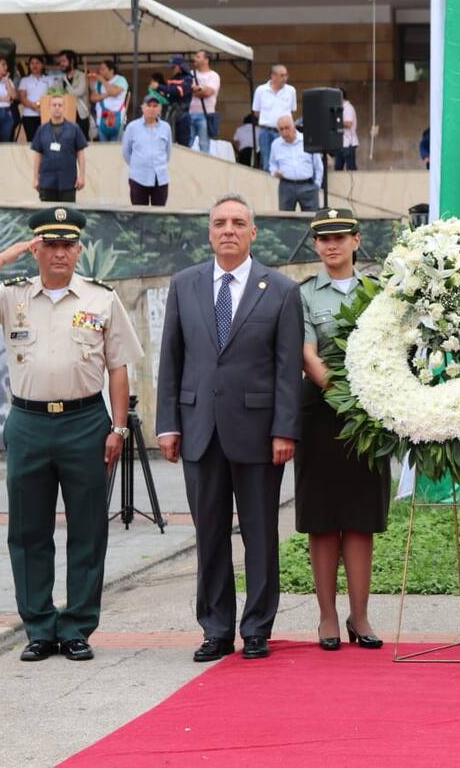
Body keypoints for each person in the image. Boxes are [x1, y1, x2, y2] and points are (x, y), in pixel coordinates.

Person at [0, 208, 142, 662]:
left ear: (78, 250)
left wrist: (118, 427)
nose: (59, 253)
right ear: (36, 250)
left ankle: (76, 627)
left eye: (67, 245)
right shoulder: (13, 296)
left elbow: (118, 368)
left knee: (88, 528)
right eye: (50, 245)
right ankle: (38, 626)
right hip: (29, 423)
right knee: (29, 529)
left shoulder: (100, 298)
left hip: (85, 422)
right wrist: (1, 259)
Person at [155, 194, 303, 662]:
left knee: (260, 534)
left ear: (253, 232)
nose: (228, 230)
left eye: (239, 223)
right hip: (199, 429)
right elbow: (171, 360)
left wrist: (285, 429)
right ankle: (216, 629)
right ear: (209, 231)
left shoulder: (280, 290)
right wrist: (167, 425)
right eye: (219, 222)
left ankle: (256, 627)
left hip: (259, 433)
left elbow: (286, 369)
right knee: (209, 534)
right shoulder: (185, 285)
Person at [296, 209, 390, 651]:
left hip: (371, 415)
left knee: (360, 519)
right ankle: (327, 617)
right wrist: (343, 393)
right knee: (322, 518)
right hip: (322, 413)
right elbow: (308, 354)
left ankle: (361, 615)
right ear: (315, 245)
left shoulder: (382, 292)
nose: (331, 245)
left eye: (339, 237)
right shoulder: (303, 295)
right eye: (323, 238)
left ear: (356, 240)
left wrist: (369, 399)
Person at [29, 94, 88, 203]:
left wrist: (82, 176)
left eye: (60, 105)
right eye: (54, 105)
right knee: (48, 217)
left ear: (64, 108)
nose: (57, 107)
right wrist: (35, 178)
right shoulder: (42, 130)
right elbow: (38, 155)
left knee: (67, 216)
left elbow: (80, 153)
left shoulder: (74, 128)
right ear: (49, 108)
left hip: (68, 182)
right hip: (47, 182)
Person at [122, 94, 173, 207]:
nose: (151, 109)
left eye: (155, 106)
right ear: (142, 108)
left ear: (160, 109)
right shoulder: (132, 127)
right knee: (139, 214)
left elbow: (168, 152)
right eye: (148, 105)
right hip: (138, 177)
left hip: (160, 178)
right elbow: (126, 152)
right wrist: (138, 165)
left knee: (159, 215)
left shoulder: (166, 127)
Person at [268, 114, 323, 212]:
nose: (284, 132)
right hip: (286, 186)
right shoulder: (276, 145)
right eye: (281, 129)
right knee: (285, 220)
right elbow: (272, 164)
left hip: (308, 186)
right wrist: (274, 172)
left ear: (293, 126)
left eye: (287, 128)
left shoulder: (307, 140)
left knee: (311, 219)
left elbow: (318, 166)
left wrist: (316, 185)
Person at [251, 64, 296, 170]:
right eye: (282, 75)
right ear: (273, 76)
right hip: (266, 131)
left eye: (286, 75)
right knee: (267, 163)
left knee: (284, 162)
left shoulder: (291, 90)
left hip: (284, 132)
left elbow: (292, 111)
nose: (285, 78)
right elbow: (256, 112)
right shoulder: (261, 90)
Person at [88, 60, 129, 142]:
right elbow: (93, 98)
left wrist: (103, 80)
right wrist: (107, 94)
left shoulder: (120, 80)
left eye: (103, 69)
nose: (100, 71)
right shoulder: (98, 83)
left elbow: (114, 92)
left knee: (116, 149)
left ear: (111, 70)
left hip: (118, 120)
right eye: (100, 69)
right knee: (104, 150)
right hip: (101, 120)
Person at [189, 49, 221, 153]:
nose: (195, 59)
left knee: (204, 144)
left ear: (206, 60)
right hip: (190, 113)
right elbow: (187, 90)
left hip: (205, 114)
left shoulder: (213, 76)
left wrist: (195, 90)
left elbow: (208, 93)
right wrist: (201, 90)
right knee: (187, 143)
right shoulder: (191, 74)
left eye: (198, 57)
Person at [56, 50, 92, 139]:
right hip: (66, 115)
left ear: (71, 61)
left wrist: (65, 91)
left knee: (82, 141)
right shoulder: (60, 79)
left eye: (64, 61)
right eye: (60, 62)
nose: (61, 64)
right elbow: (57, 94)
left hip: (81, 114)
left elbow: (80, 91)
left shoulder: (82, 76)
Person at [17, 56, 51, 143]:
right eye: (32, 63)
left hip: (45, 115)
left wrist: (39, 104)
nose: (34, 65)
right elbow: (22, 97)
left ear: (42, 65)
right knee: (31, 141)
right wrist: (32, 105)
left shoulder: (49, 79)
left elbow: (52, 96)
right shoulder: (25, 80)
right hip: (29, 115)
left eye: (37, 63)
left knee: (45, 140)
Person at [334, 89, 359, 171]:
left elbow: (348, 124)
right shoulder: (340, 108)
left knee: (351, 168)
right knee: (338, 168)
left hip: (348, 143)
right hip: (340, 142)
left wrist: (335, 121)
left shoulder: (348, 108)